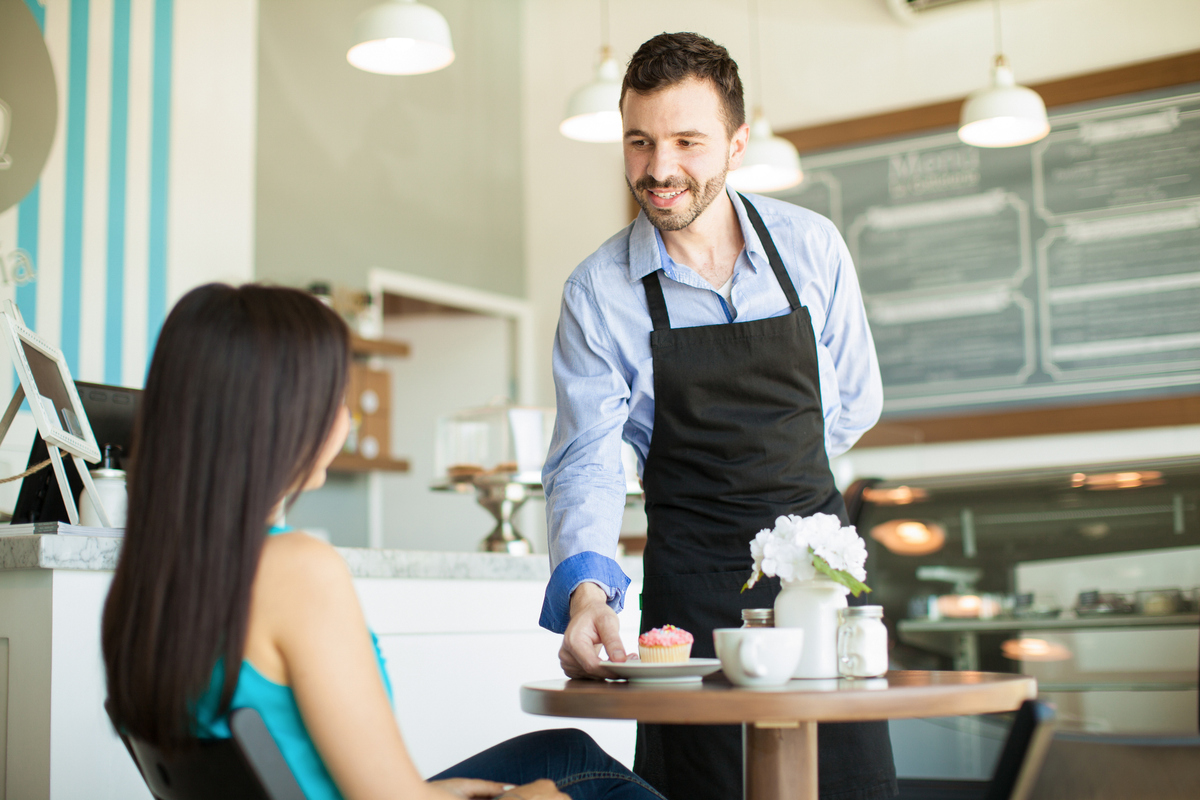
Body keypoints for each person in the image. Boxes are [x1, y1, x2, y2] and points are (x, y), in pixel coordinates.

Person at [101, 284, 665, 800]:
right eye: (334, 399)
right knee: (583, 780)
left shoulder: (149, 580)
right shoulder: (296, 572)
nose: (344, 420)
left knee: (566, 753)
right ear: (280, 419)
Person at [539, 32, 897, 800]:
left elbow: (855, 403)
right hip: (689, 608)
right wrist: (587, 596)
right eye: (639, 142)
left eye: (686, 142)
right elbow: (588, 461)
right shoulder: (599, 291)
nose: (660, 169)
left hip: (820, 589)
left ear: (737, 143)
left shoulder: (812, 249)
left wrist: (785, 507)